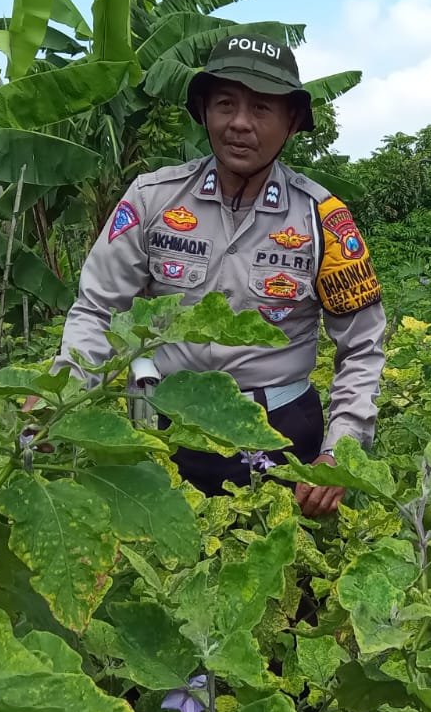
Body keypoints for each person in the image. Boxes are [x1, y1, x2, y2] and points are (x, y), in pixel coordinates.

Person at [43, 34, 386, 516]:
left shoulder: (323, 219)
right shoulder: (151, 199)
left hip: (280, 435)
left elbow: (363, 346)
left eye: (262, 108)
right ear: (203, 111)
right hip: (165, 430)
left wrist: (341, 450)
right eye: (225, 104)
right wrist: (56, 401)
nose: (240, 123)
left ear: (292, 122)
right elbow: (99, 310)